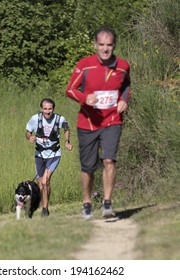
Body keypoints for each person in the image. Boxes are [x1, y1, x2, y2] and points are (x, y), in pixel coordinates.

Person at [65, 26, 131, 220]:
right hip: (88, 122)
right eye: (101, 45)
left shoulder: (123, 66)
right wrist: (85, 98)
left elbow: (126, 85)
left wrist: (124, 100)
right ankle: (87, 203)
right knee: (88, 168)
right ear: (95, 45)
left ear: (114, 45)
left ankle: (107, 203)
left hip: (112, 119)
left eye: (109, 45)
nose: (105, 49)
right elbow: (70, 89)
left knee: (109, 159)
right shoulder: (84, 65)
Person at [25, 98, 73, 217]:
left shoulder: (59, 119)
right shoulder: (35, 119)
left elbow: (66, 128)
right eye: (45, 109)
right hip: (39, 155)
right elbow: (27, 131)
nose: (48, 111)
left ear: (53, 109)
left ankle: (45, 209)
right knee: (41, 184)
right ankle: (44, 205)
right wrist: (30, 137)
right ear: (41, 109)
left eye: (50, 109)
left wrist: (67, 141)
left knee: (45, 181)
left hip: (54, 154)